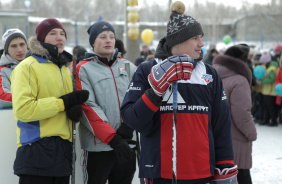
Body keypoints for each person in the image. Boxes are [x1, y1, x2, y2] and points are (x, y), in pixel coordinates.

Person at [120, 1, 237, 184]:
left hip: (201, 173)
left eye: (201, 37)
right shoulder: (146, 70)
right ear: (178, 41)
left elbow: (221, 125)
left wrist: (225, 165)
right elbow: (131, 119)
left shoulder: (210, 74)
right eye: (196, 38)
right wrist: (155, 91)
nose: (201, 44)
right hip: (159, 174)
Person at [10, 18, 89, 184]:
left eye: (62, 34)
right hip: (36, 151)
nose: (59, 38)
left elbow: (64, 107)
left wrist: (73, 112)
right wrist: (63, 103)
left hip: (63, 152)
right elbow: (23, 110)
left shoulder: (65, 69)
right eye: (53, 33)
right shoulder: (27, 67)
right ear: (41, 39)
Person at [76, 20, 137, 184]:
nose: (108, 40)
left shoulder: (129, 66)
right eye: (102, 37)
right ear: (93, 43)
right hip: (98, 148)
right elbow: (88, 107)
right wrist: (113, 139)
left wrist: (129, 126)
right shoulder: (83, 68)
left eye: (111, 36)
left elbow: (139, 99)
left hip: (126, 146)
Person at [213, 44, 257, 184]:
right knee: (242, 177)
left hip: (217, 141)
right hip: (237, 143)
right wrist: (252, 133)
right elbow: (241, 114)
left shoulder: (214, 76)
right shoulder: (239, 80)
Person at [0, 29, 28, 108]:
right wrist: (31, 100)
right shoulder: (2, 70)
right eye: (13, 46)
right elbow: (2, 98)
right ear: (6, 50)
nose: (19, 50)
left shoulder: (38, 64)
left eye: (22, 44)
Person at [259, 51, 279, 126]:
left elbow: (272, 79)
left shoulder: (272, 69)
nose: (262, 64)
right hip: (266, 91)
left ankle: (274, 121)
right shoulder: (267, 67)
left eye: (263, 62)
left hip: (271, 91)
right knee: (266, 107)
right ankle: (266, 120)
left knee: (271, 107)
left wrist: (262, 82)